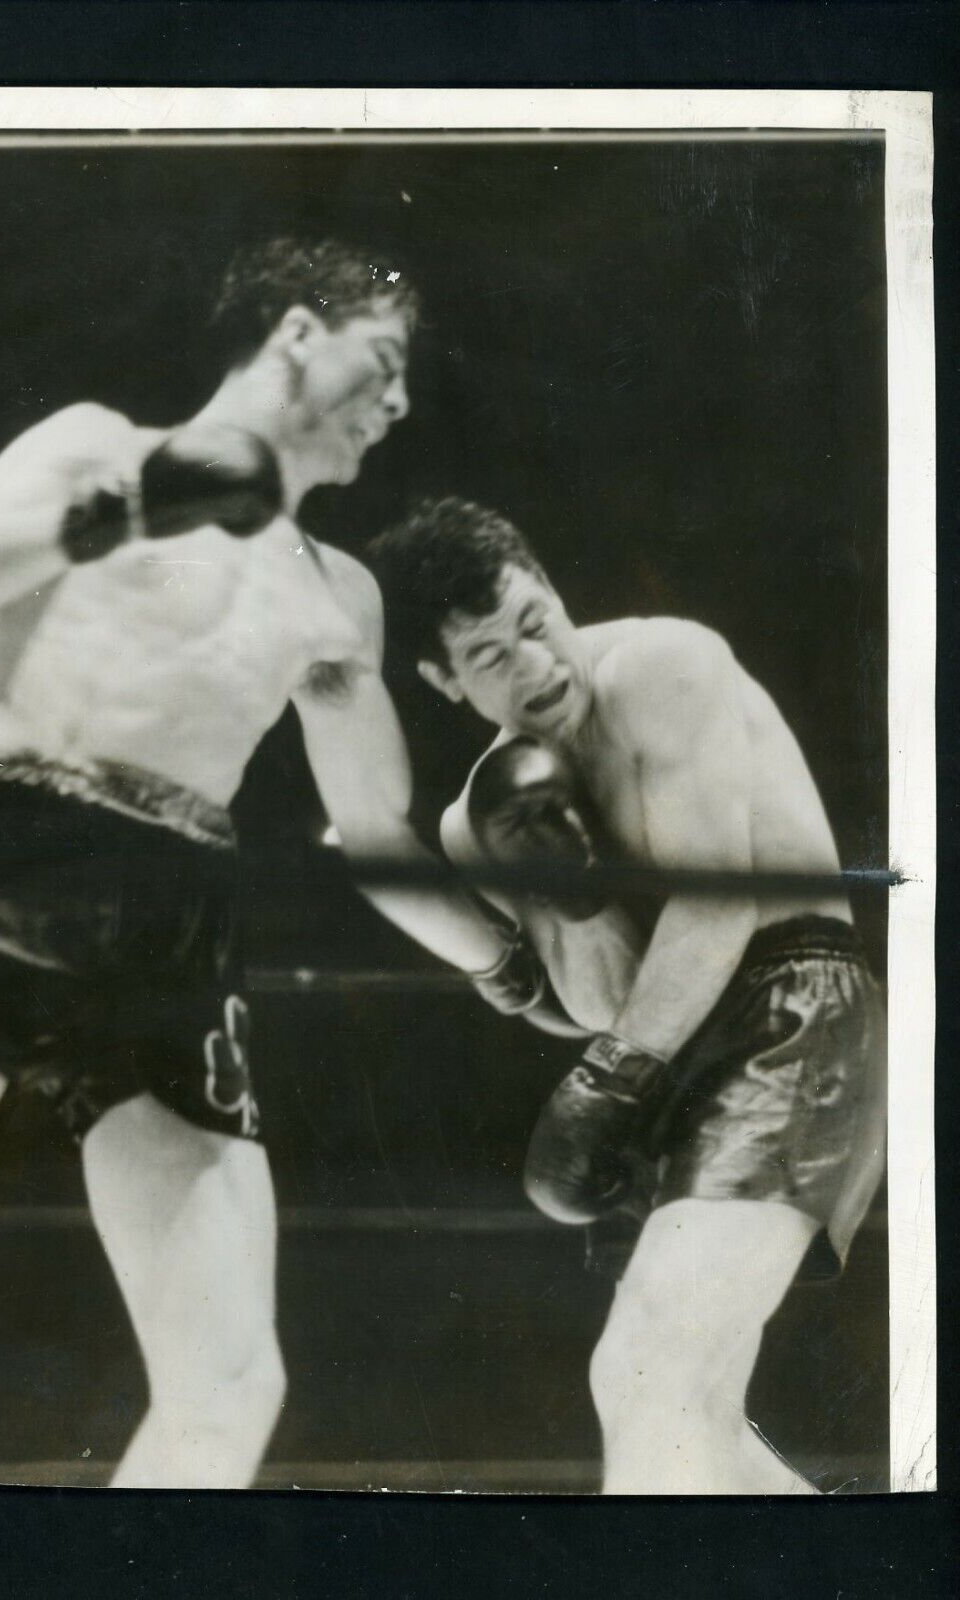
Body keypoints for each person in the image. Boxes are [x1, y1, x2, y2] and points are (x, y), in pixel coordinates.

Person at [0, 241, 537, 1489]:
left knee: (230, 1384)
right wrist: (131, 505)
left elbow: (379, 833)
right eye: (381, 363)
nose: (396, 406)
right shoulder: (99, 446)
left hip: (175, 922)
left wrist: (507, 966)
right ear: (295, 332)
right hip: (10, 862)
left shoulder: (337, 592)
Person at [367, 496, 887, 1495]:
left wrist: (611, 1078)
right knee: (683, 1406)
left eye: (535, 620)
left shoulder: (666, 667)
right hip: (669, 1049)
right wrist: (578, 892)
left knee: (645, 1372)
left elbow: (716, 909)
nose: (537, 665)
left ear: (554, 591)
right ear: (441, 680)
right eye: (489, 655)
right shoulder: (474, 822)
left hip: (794, 1006)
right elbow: (604, 1000)